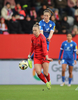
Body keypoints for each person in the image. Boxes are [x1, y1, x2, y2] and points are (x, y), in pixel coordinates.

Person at [28, 22, 53, 89]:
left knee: (46, 73)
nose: (34, 32)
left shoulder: (42, 38)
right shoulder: (33, 38)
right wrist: (29, 55)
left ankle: (49, 81)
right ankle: (46, 83)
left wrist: (47, 57)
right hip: (36, 57)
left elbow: (45, 48)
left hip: (44, 56)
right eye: (33, 30)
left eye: (35, 30)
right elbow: (32, 47)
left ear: (39, 30)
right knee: (38, 72)